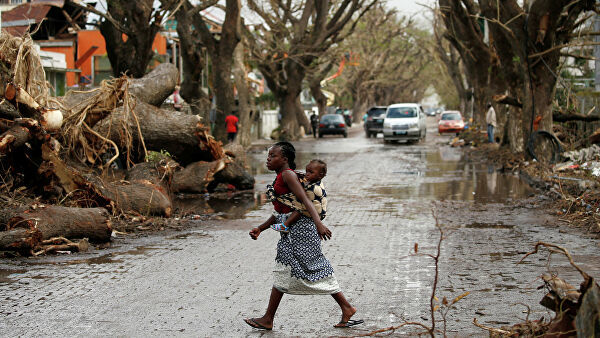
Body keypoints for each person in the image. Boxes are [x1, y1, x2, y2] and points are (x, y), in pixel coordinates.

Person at [245, 142, 362, 330]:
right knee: (286, 269)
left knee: (313, 266)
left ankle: (346, 307)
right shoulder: (282, 177)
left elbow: (305, 201)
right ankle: (268, 318)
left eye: (272, 156)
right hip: (293, 231)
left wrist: (318, 223)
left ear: (284, 159)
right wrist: (261, 228)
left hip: (302, 230)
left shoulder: (288, 175)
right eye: (268, 156)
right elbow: (282, 211)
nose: (268, 159)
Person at [270, 159, 328, 233]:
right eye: (306, 171)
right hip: (315, 217)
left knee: (299, 209)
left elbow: (304, 199)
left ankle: (285, 225)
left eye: (311, 172)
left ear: (320, 175)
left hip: (317, 212)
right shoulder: (311, 180)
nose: (307, 174)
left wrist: (318, 224)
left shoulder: (314, 188)